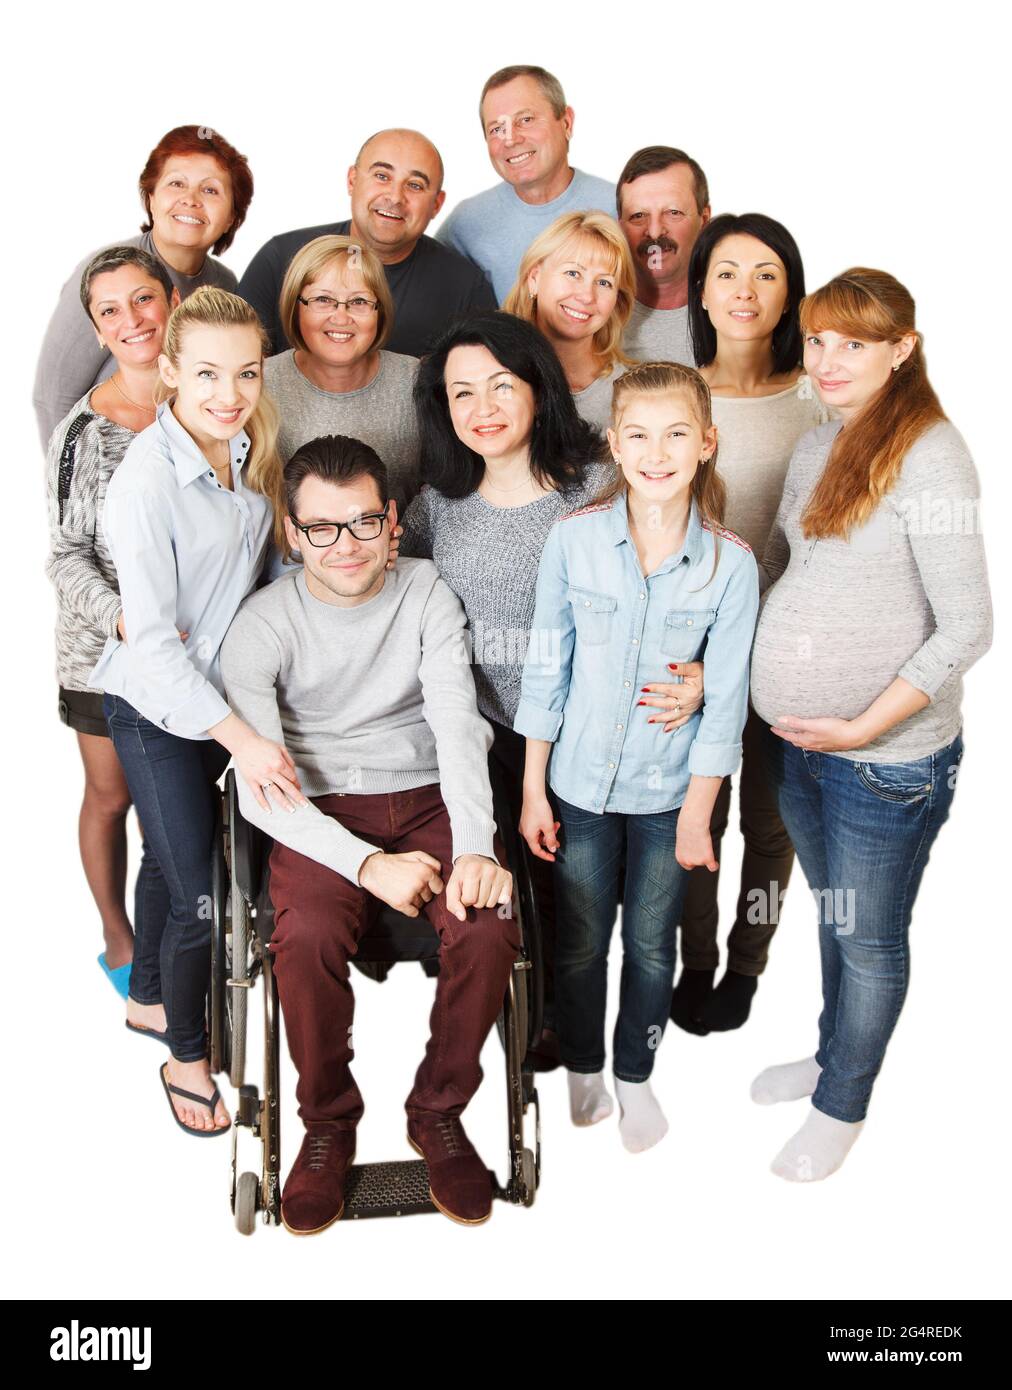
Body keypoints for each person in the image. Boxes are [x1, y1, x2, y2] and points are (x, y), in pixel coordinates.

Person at [220, 435, 519, 1233]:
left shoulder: (425, 592)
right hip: (320, 811)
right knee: (305, 933)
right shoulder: (260, 625)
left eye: (361, 523)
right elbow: (262, 788)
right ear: (292, 532)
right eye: (322, 528)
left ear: (393, 522)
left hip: (431, 794)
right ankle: (325, 1125)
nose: (344, 546)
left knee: (488, 924)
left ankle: (439, 1112)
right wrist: (365, 866)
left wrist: (479, 845)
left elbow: (458, 724)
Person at [401, 312, 703, 1068]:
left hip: (603, 732)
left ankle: (614, 1043)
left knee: (596, 903)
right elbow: (381, 592)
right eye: (462, 393)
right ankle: (539, 1025)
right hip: (494, 733)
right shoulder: (439, 503)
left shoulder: (601, 484)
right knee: (520, 892)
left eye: (502, 385)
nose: (483, 407)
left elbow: (697, 580)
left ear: (538, 387)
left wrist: (702, 673)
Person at [749, 269, 992, 1182]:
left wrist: (860, 729)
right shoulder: (817, 446)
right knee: (835, 914)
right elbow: (784, 571)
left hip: (883, 759)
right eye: (817, 340)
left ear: (903, 350)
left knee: (871, 936)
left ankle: (843, 1103)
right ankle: (828, 1054)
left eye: (855, 342)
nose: (830, 359)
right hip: (803, 746)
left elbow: (970, 626)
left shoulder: (929, 453)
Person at [516, 361, 759, 1152]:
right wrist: (532, 791)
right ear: (615, 445)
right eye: (641, 436)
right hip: (579, 787)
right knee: (582, 939)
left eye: (678, 434)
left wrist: (698, 817)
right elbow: (545, 671)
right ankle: (583, 1064)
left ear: (707, 444)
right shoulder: (573, 542)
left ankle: (634, 1073)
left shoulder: (731, 565)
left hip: (668, 799)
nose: (659, 452)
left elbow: (722, 702)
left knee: (652, 944)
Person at [88, 286, 296, 1137]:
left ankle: (145, 1000)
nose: (228, 393)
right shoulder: (147, 482)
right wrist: (241, 739)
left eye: (246, 373)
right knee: (200, 896)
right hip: (158, 705)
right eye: (206, 373)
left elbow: (255, 572)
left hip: (218, 691)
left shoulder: (245, 447)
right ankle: (187, 1052)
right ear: (168, 369)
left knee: (166, 859)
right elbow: (154, 645)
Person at [669, 212, 829, 1035]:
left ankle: (747, 962)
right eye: (728, 272)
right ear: (700, 289)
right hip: (690, 657)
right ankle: (697, 961)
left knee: (772, 827)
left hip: (790, 656)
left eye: (767, 274)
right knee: (698, 819)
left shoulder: (820, 401)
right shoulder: (674, 392)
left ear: (791, 294)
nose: (746, 290)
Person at [45, 246, 179, 1000]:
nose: (132, 321)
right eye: (110, 311)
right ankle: (118, 935)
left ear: (170, 300)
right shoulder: (83, 435)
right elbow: (64, 559)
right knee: (113, 796)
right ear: (97, 330)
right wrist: (124, 619)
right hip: (103, 649)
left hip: (196, 648)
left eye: (142, 300)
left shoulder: (213, 400)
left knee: (179, 803)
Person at [33, 125, 252, 447]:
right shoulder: (104, 275)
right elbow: (53, 397)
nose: (190, 200)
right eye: (176, 183)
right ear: (151, 198)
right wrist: (70, 482)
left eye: (210, 190)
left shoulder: (227, 285)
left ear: (233, 215)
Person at [237, 129, 494, 357]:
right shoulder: (281, 258)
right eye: (382, 176)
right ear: (352, 180)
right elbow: (234, 364)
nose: (395, 196)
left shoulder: (466, 288)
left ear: (436, 204)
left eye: (415, 185)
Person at [264, 235, 420, 508]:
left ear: (379, 311)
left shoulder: (416, 382)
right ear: (295, 305)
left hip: (400, 548)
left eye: (359, 302)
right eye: (323, 299)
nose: (341, 317)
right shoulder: (260, 384)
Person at [436, 65, 615, 301]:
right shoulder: (465, 223)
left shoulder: (622, 207)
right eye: (497, 129)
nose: (510, 139)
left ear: (566, 123)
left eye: (526, 119)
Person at [502, 210, 636, 430]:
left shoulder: (632, 391)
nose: (586, 296)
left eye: (604, 283)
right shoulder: (491, 369)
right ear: (534, 278)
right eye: (573, 273)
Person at [617, 146, 710, 366]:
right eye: (638, 215)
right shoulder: (592, 313)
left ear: (704, 220)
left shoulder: (738, 310)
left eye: (673, 213)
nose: (655, 231)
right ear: (620, 226)